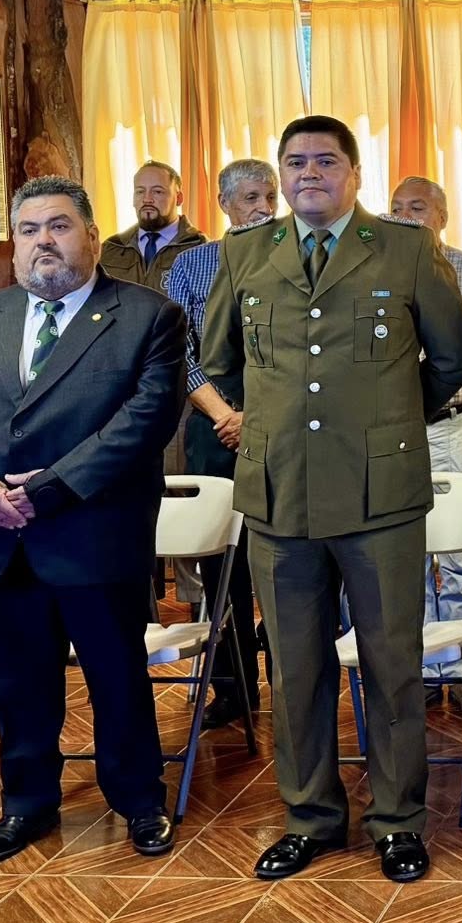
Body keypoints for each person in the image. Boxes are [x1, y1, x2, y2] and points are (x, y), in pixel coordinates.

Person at [203, 116, 462, 885]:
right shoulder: (245, 252)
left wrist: (390, 418)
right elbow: (221, 359)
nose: (310, 174)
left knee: (392, 664)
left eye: (327, 161)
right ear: (282, 176)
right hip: (280, 491)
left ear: (355, 174)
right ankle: (311, 817)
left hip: (380, 493)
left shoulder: (404, 248)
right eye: (297, 163)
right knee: (294, 668)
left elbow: (457, 353)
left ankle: (397, 821)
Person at [0, 176, 186, 865]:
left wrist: (52, 488)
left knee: (117, 677)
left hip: (94, 534)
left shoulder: (148, 317)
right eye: (29, 230)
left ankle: (139, 801)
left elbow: (144, 421)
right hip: (0, 537)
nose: (44, 242)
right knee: (18, 685)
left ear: (92, 236)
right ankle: (27, 806)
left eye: (59, 226)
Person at [162, 157, 279, 729]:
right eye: (251, 197)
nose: (262, 207)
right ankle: (233, 686)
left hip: (282, 422)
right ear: (225, 203)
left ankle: (288, 667)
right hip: (213, 425)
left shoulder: (294, 255)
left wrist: (258, 415)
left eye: (269, 196)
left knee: (284, 553)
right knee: (222, 566)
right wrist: (226, 414)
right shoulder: (191, 265)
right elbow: (177, 352)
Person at [389, 175, 462, 713]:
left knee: (459, 554)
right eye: (396, 207)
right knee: (404, 553)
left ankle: (461, 669)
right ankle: (424, 671)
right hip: (390, 431)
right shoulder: (375, 268)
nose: (406, 216)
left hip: (454, 425)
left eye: (418, 207)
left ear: (443, 216)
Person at [100, 160, 207, 291]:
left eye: (157, 192)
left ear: (178, 198)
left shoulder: (199, 247)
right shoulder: (112, 248)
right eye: (140, 192)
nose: (147, 199)